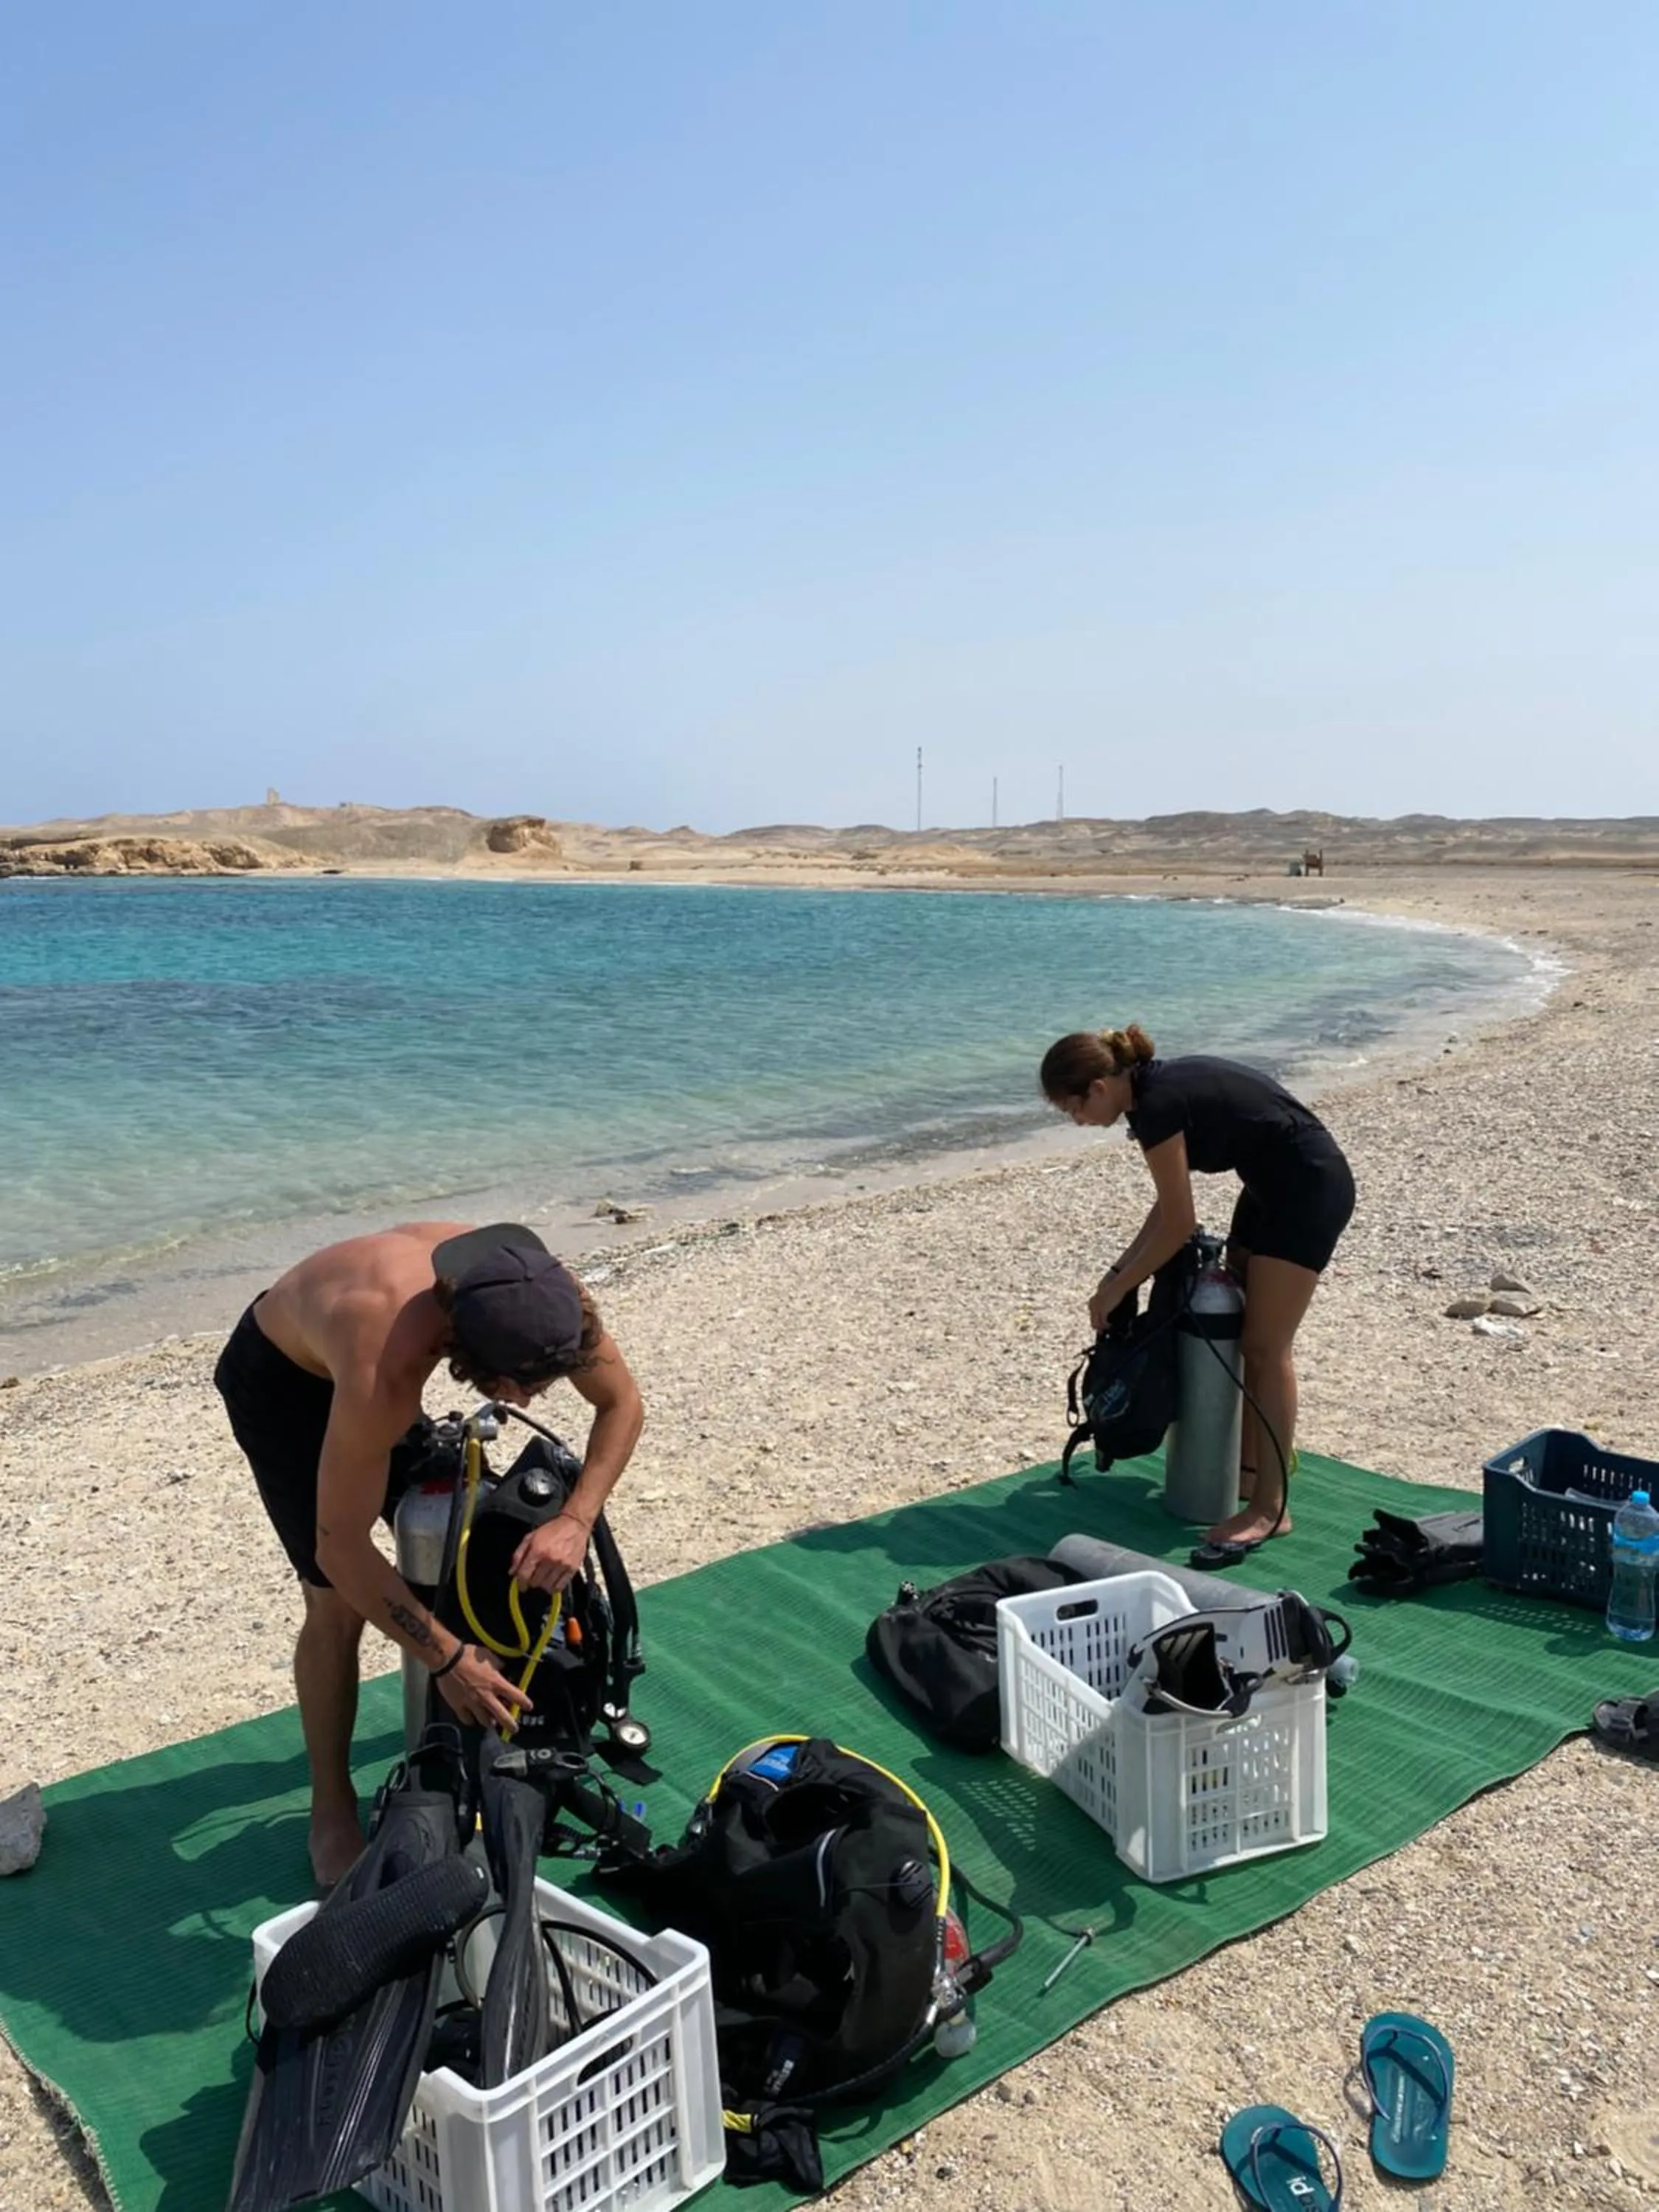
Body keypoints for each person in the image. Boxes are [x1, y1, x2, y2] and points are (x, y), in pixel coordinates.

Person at [214, 1220, 644, 1888]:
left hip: (377, 1351)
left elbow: (622, 1404)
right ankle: (330, 1806)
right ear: (458, 1351)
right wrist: (445, 1656)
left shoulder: (547, 1298)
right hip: (285, 1380)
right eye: (512, 1386)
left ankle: (480, 1721)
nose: (522, 1401)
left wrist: (575, 1519)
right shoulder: (387, 1363)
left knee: (473, 1537)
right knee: (336, 1605)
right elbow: (341, 1548)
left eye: (538, 1387)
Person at [1040, 1025, 1354, 1557]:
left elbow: (1179, 1225)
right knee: (1247, 1335)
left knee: (1265, 1348)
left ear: (1098, 1087)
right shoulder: (1147, 1095)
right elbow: (1168, 1208)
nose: (1076, 1120)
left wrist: (1119, 1288)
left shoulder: (1157, 1104)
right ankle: (1249, 1473)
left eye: (1073, 1108)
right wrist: (1116, 1276)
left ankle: (1271, 1508)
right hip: (1265, 1188)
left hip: (1308, 1189)